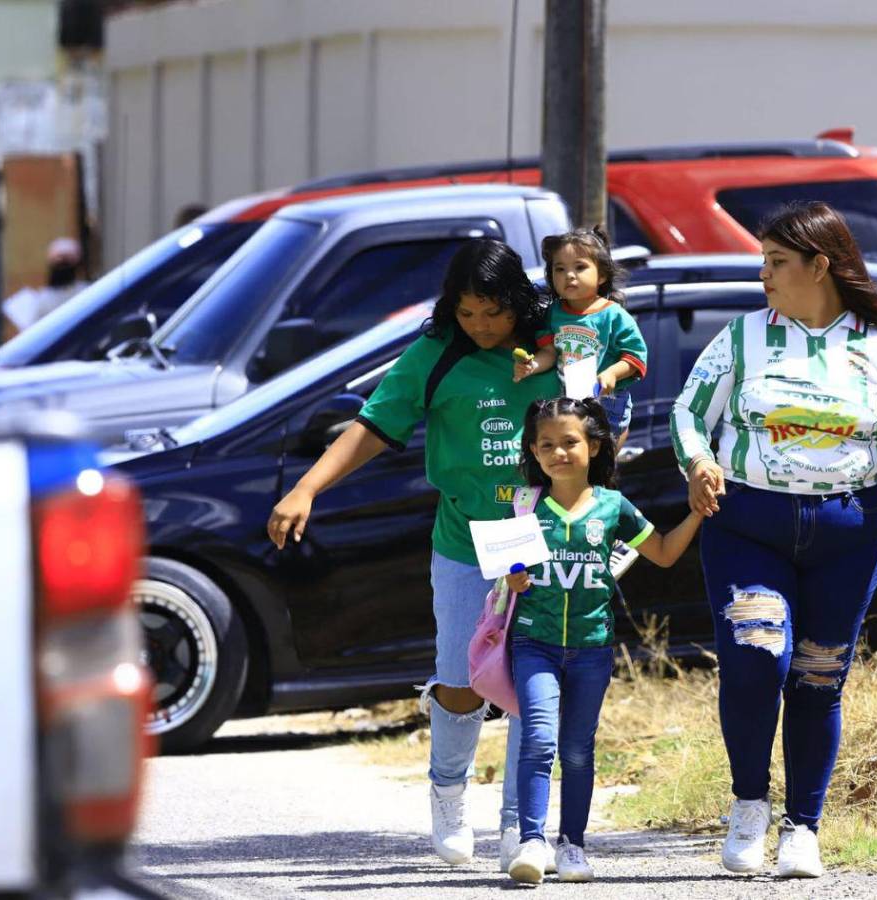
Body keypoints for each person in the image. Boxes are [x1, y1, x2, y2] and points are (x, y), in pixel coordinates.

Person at [669, 202, 877, 879]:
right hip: (748, 531)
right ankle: (748, 805)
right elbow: (687, 413)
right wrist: (699, 462)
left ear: (820, 266)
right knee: (758, 658)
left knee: (819, 677)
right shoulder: (740, 339)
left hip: (847, 537)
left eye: (777, 262)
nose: (763, 274)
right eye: (762, 261)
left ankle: (803, 829)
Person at [266, 239, 561, 869]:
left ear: (519, 302)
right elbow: (372, 428)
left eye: (493, 311)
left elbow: (608, 378)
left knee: (530, 683)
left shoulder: (552, 349)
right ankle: (449, 793)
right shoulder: (434, 354)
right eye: (467, 311)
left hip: (540, 539)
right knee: (460, 683)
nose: (480, 325)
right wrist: (306, 488)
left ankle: (522, 825)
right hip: (463, 540)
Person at [503, 397, 703, 884]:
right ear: (533, 449)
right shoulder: (523, 503)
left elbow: (663, 554)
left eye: (570, 442)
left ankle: (572, 845)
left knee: (576, 750)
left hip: (593, 648)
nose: (558, 452)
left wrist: (697, 513)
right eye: (546, 444)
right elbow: (508, 573)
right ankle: (532, 841)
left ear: (595, 446)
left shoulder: (615, 506)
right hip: (535, 643)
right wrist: (513, 581)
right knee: (538, 739)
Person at [513, 226, 647, 446]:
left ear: (602, 275)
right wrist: (532, 365)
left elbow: (635, 358)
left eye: (580, 267)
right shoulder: (553, 313)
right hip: (568, 400)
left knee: (596, 463)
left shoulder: (614, 315)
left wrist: (612, 374)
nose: (569, 276)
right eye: (560, 269)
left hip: (607, 401)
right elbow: (549, 352)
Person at [1, 237, 87, 339]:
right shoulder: (44, 298)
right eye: (59, 263)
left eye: (66, 262)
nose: (62, 268)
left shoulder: (86, 293)